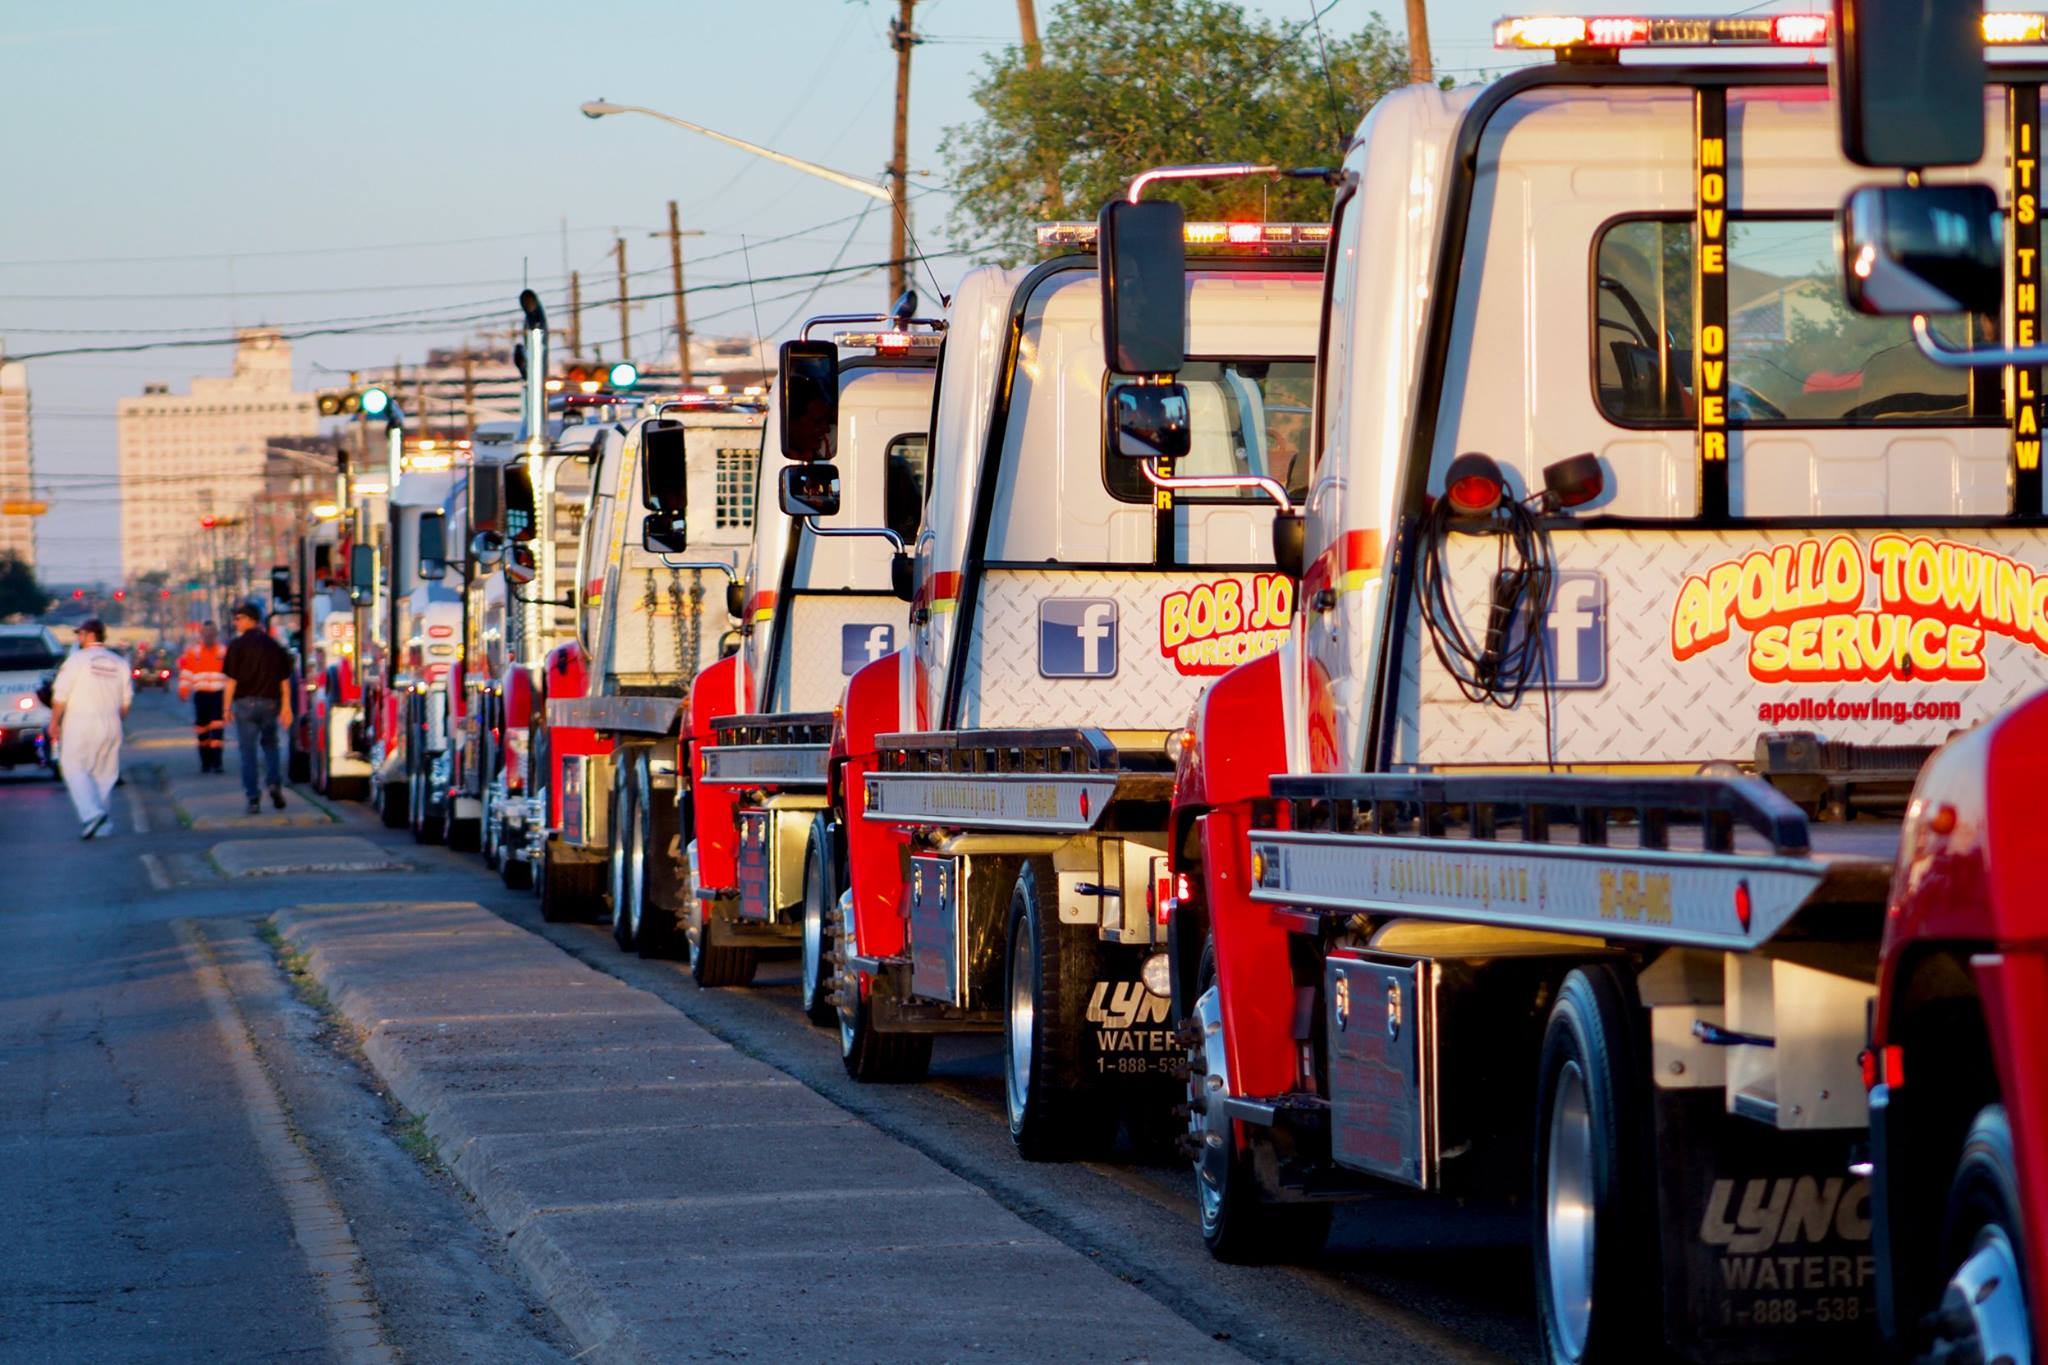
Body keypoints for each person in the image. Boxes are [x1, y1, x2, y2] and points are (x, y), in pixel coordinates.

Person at [50, 618, 132, 840]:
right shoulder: (120, 663)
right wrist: (114, 721)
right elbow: (126, 703)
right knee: (104, 774)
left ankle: (92, 813)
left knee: (72, 766)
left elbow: (60, 696)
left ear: (90, 635)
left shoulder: (77, 660)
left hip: (81, 722)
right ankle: (101, 824)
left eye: (81, 634)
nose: (78, 638)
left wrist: (54, 722)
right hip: (111, 723)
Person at [222, 600, 294, 815]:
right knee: (271, 746)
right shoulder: (274, 646)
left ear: (250, 620)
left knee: (248, 752)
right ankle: (273, 783)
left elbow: (231, 681)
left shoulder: (236, 646)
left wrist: (226, 708)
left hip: (245, 704)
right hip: (270, 704)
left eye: (239, 618)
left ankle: (253, 798)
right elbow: (284, 681)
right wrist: (286, 708)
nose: (235, 622)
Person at [177, 621, 229, 772]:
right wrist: (183, 690)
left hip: (218, 694)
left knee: (217, 729)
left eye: (211, 633)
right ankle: (205, 762)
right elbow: (186, 673)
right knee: (202, 729)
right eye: (206, 633)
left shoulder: (223, 652)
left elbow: (231, 674)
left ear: (216, 634)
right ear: (201, 634)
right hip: (201, 695)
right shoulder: (194, 652)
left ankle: (217, 762)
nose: (209, 636)